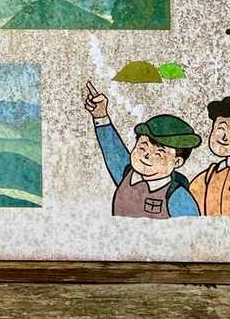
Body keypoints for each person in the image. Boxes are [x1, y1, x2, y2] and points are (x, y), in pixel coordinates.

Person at [82, 80, 200, 219]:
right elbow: (112, 149)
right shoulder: (126, 175)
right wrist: (100, 115)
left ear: (177, 161)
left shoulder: (177, 197)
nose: (146, 156)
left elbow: (193, 229)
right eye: (142, 147)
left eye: (159, 153)